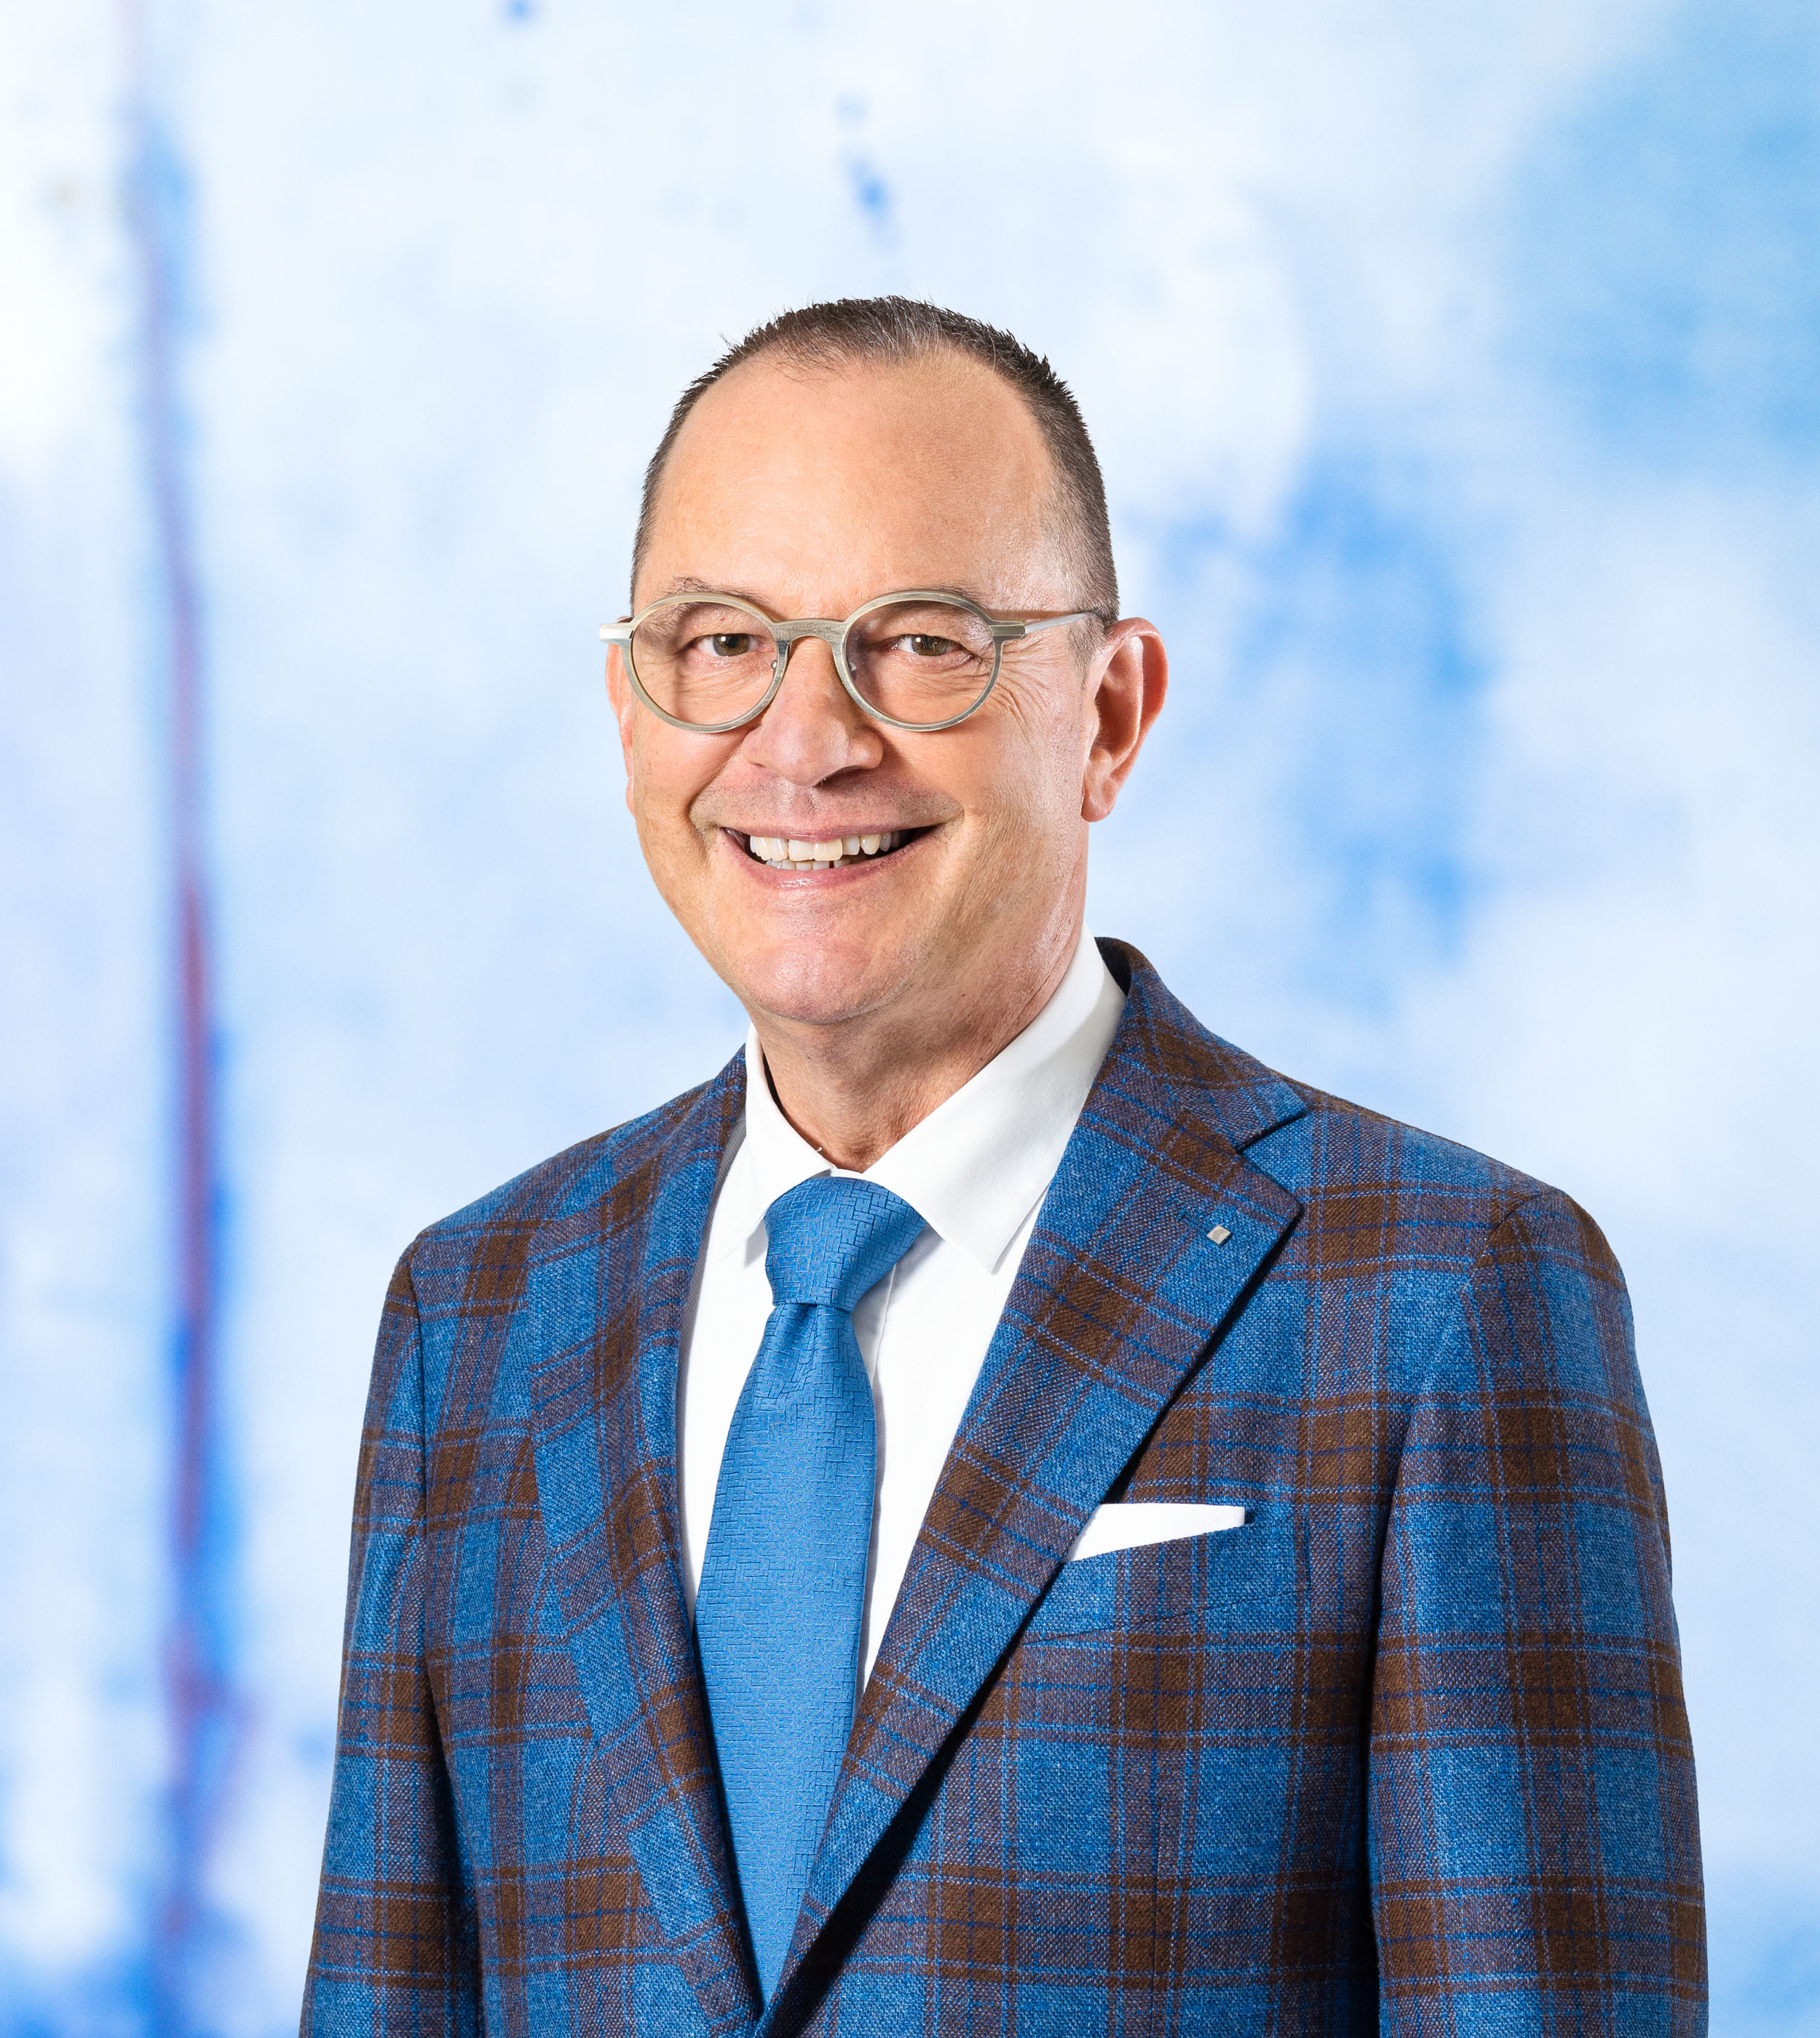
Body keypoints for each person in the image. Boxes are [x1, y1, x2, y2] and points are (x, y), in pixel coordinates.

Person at [302, 297, 1705, 2034]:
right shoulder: (480, 1312)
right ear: (627, 703)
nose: (804, 738)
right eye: (720, 640)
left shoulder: (1434, 1296)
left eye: (918, 642)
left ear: (1109, 714)